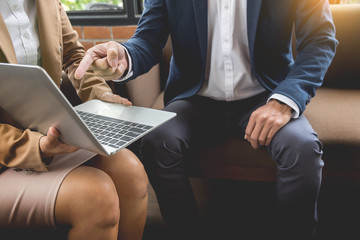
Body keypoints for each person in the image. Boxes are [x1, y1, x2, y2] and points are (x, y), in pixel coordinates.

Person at [75, 0, 338, 239]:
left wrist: (284, 101)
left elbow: (320, 40)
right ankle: (185, 230)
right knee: (157, 140)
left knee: (302, 148)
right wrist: (124, 54)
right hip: (195, 100)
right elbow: (147, 39)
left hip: (266, 97)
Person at [0, 1, 148, 240]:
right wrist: (34, 146)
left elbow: (72, 56)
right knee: (95, 196)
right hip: (7, 154)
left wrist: (101, 93)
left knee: (131, 171)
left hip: (46, 134)